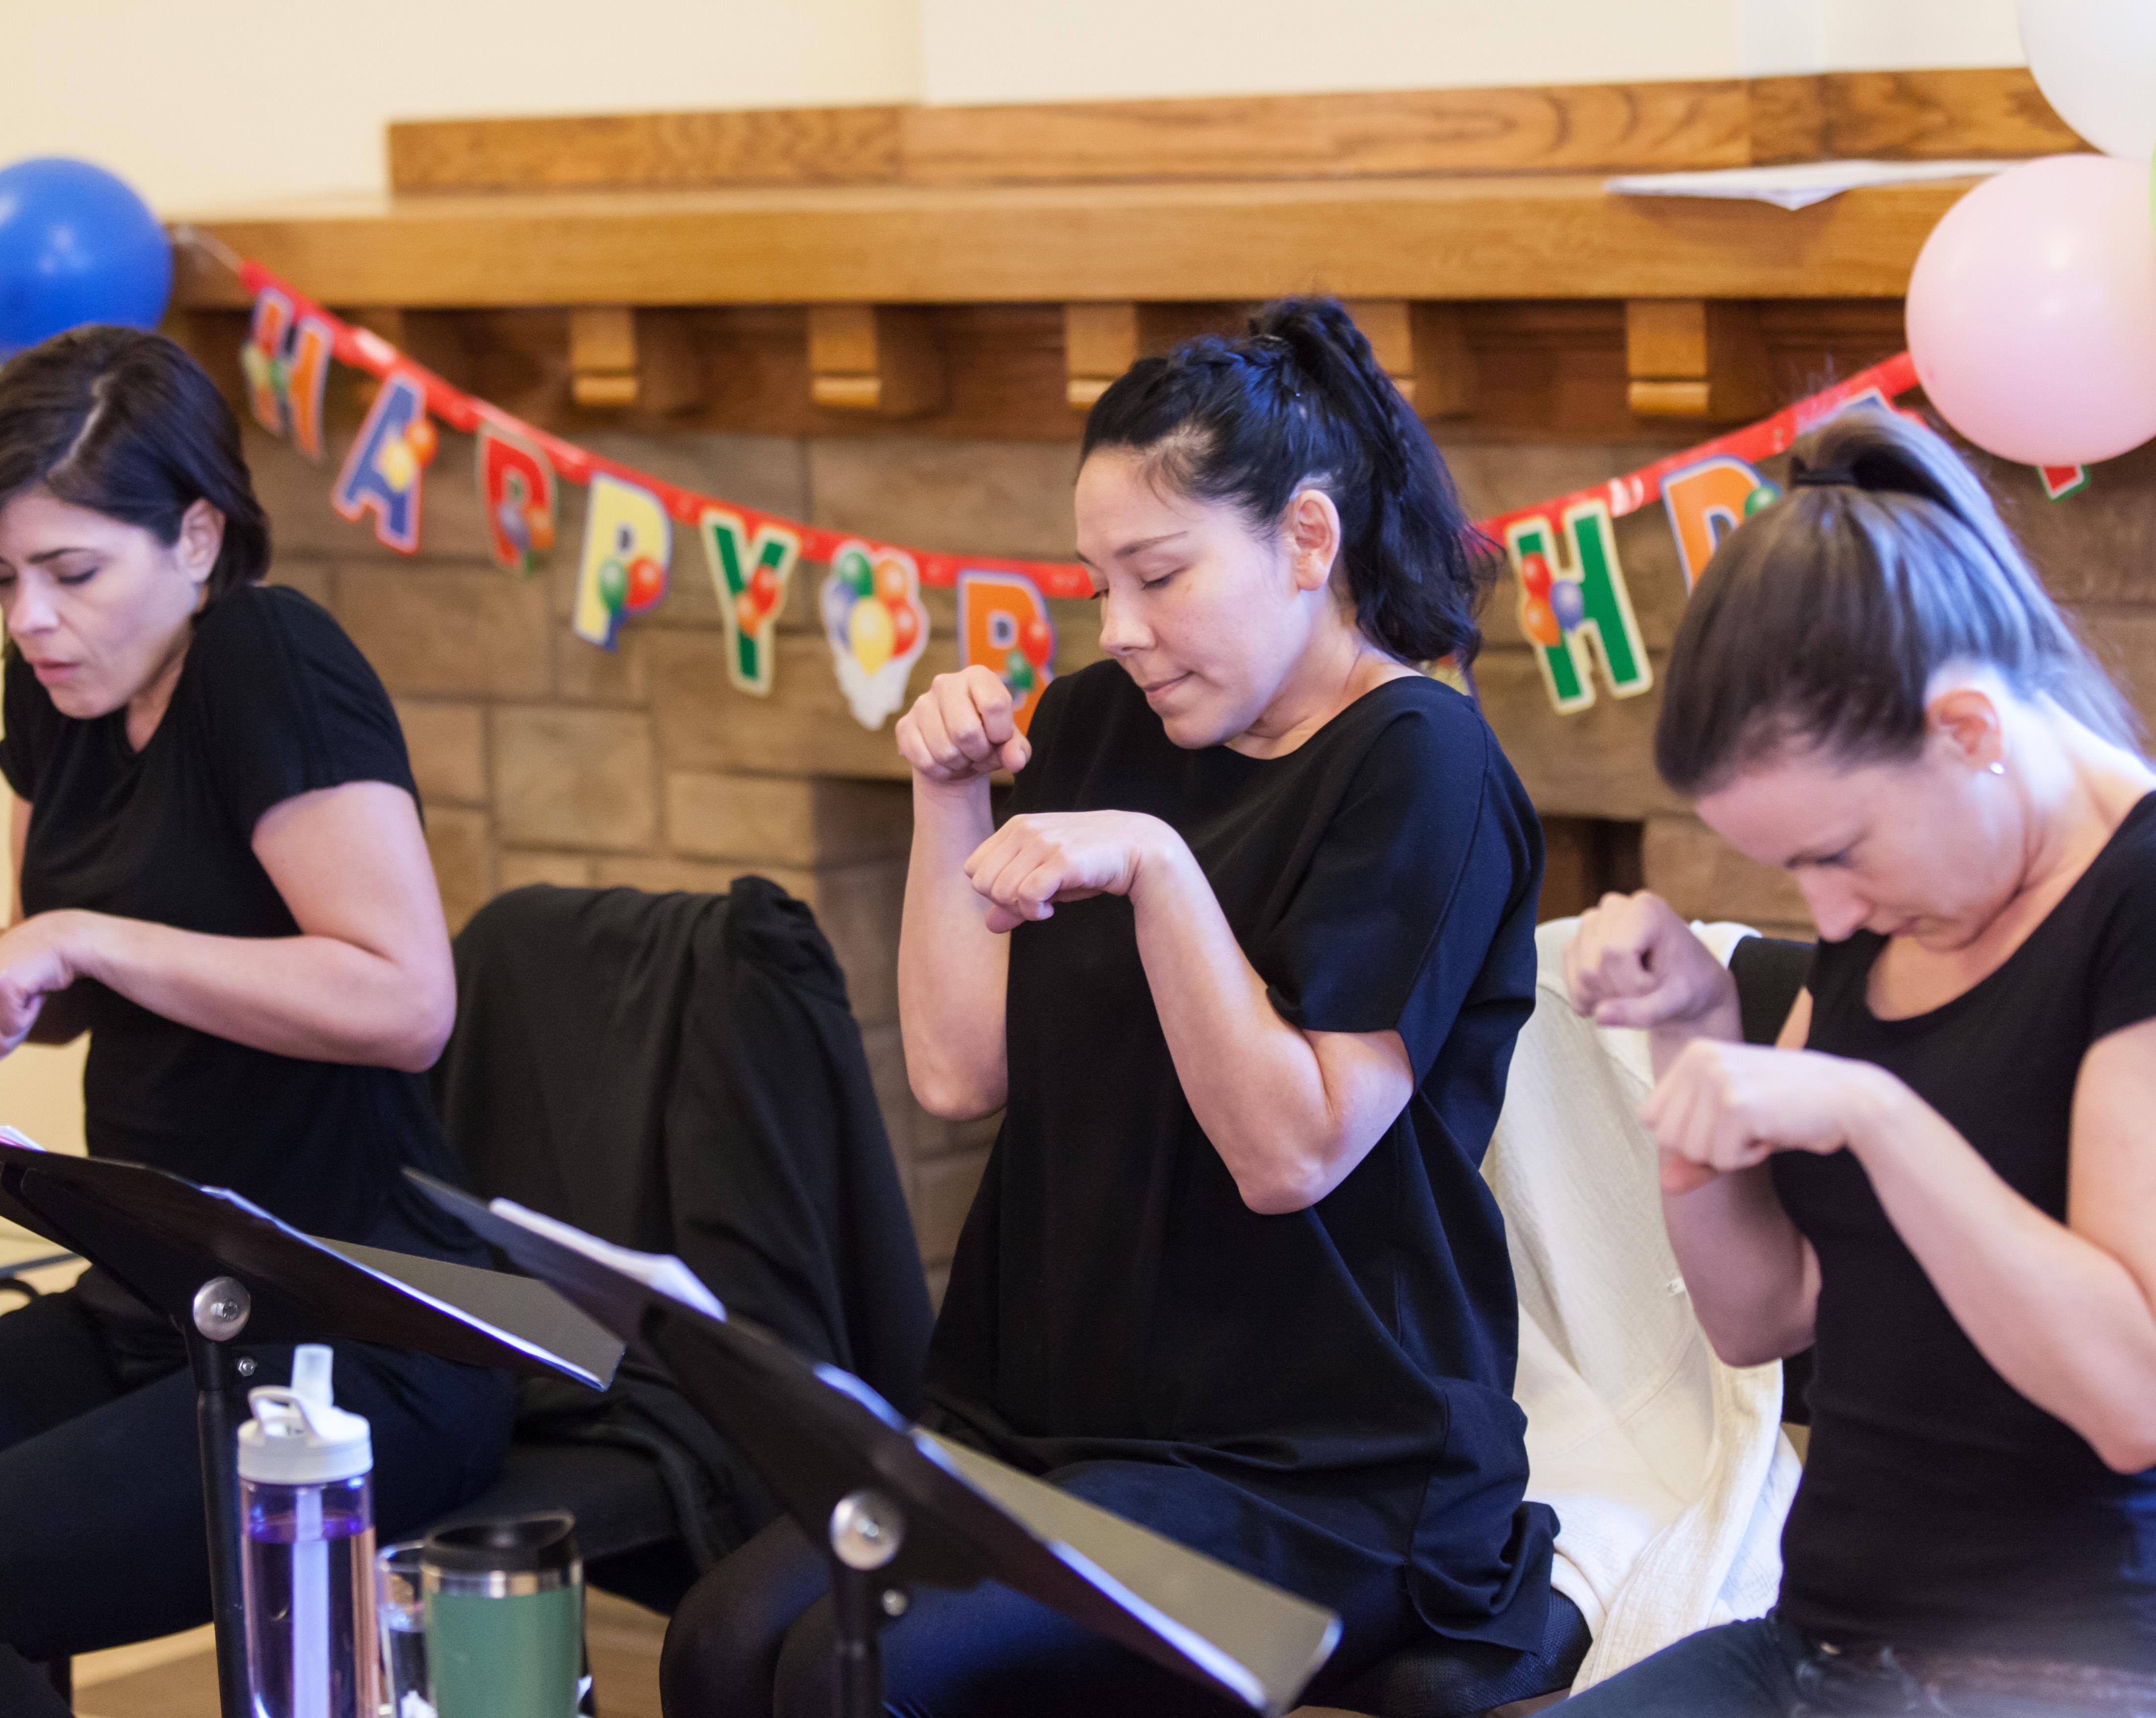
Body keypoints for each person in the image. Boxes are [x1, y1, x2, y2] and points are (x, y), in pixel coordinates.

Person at [660, 297, 1579, 1718]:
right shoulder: (1103, 721)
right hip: (1046, 1417)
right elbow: (961, 1073)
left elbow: (1293, 1151)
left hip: (1316, 1466)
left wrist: (1155, 865)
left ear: (1308, 542)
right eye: (1097, 583)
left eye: (1159, 574)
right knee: (723, 1642)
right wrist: (947, 792)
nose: (1123, 628)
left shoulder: (1421, 764)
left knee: (877, 1679)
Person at [0, 327, 512, 1717]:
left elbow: (406, 999)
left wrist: (80, 935)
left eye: (71, 572)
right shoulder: (57, 690)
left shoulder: (269, 657)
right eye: (5, 581)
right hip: (158, 1296)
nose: (33, 618)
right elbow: (74, 985)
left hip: (357, 1332)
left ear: (195, 534)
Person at [1554, 409, 2156, 1716]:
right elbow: (1764, 1310)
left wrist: (1874, 1110)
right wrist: (1689, 1031)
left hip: (2101, 1658)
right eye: (1793, 868)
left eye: (1836, 849)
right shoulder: (1902, 911)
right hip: (1826, 1644)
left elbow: (2148, 1389)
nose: (1828, 911)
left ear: (1968, 728)